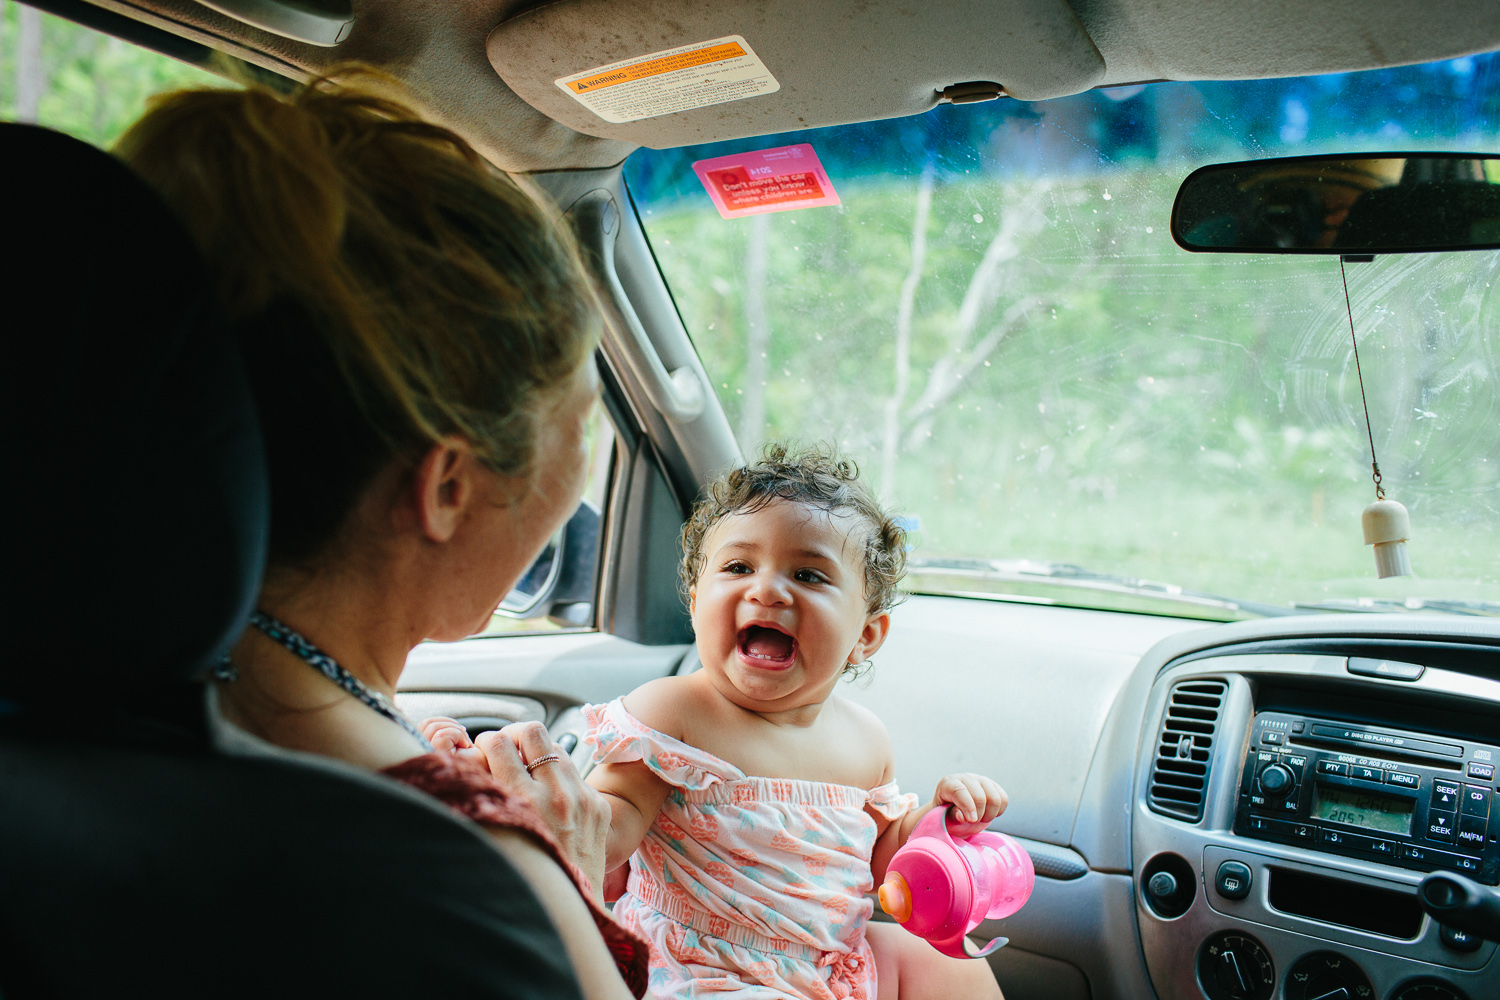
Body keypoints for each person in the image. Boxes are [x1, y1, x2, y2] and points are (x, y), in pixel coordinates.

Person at [113, 72, 646, 999]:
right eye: (583, 417)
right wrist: (562, 881)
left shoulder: (78, 704)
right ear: (445, 485)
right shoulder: (468, 874)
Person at [580, 445, 1007, 1000]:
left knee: (950, 964)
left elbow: (882, 863)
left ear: (865, 636)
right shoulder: (672, 713)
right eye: (737, 567)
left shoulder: (864, 741)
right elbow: (606, 829)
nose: (767, 589)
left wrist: (938, 822)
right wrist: (551, 806)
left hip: (829, 965)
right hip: (700, 967)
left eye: (808, 574)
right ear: (694, 602)